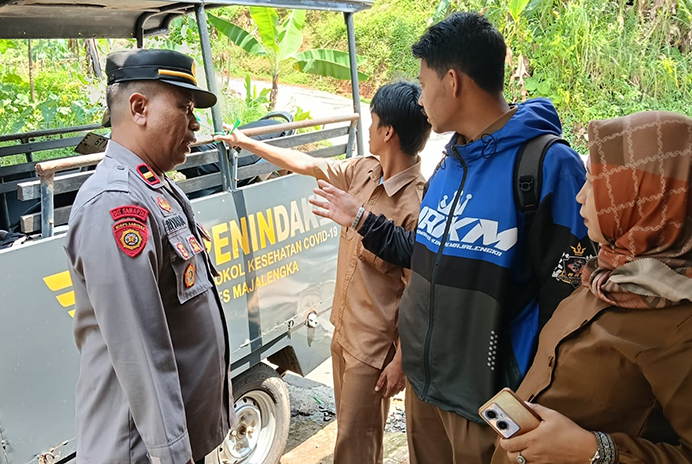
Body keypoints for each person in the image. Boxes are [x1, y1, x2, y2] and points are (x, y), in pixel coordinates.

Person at [309, 12, 593, 463]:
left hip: (487, 404)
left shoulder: (548, 166)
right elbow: (424, 254)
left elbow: (571, 302)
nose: (421, 99)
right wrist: (362, 219)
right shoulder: (449, 166)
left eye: (424, 84)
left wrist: (529, 392)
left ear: (453, 82)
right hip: (426, 391)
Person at [216, 82, 431, 464]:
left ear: (388, 132)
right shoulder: (364, 171)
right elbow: (306, 163)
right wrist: (246, 143)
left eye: (373, 121)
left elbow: (418, 294)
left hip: (373, 350)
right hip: (342, 331)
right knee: (348, 435)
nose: (368, 128)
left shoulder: (415, 204)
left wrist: (400, 360)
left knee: (357, 446)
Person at [490, 111, 692, 464]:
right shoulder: (605, 275)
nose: (580, 197)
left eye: (595, 183)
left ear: (642, 198)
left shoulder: (680, 324)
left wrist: (594, 450)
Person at [64, 49, 233, 464]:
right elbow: (140, 350)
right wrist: (172, 455)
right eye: (185, 109)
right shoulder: (116, 202)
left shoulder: (153, 185)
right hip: (141, 451)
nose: (195, 124)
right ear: (139, 108)